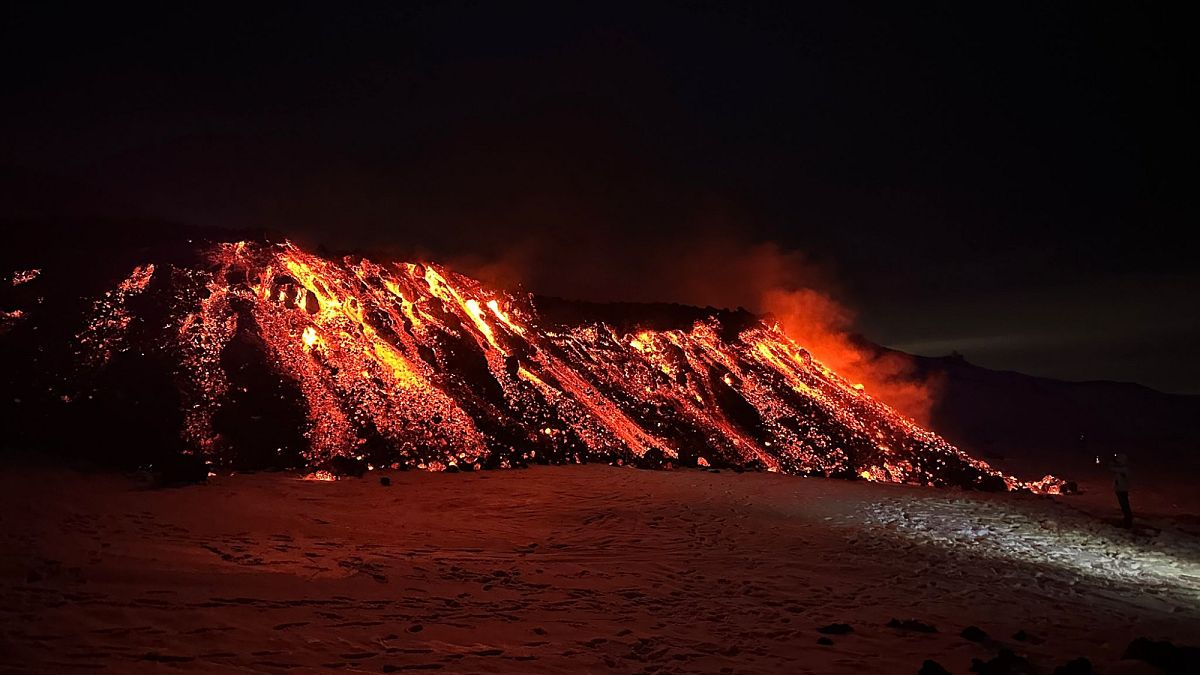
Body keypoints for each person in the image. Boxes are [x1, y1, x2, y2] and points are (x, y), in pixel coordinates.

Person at [1110, 453, 1133, 528]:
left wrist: (1113, 462)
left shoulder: (1124, 468)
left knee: (1124, 504)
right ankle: (1127, 519)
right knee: (1124, 504)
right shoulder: (1123, 468)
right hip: (1120, 488)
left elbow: (1112, 468)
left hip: (1122, 489)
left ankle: (1128, 519)